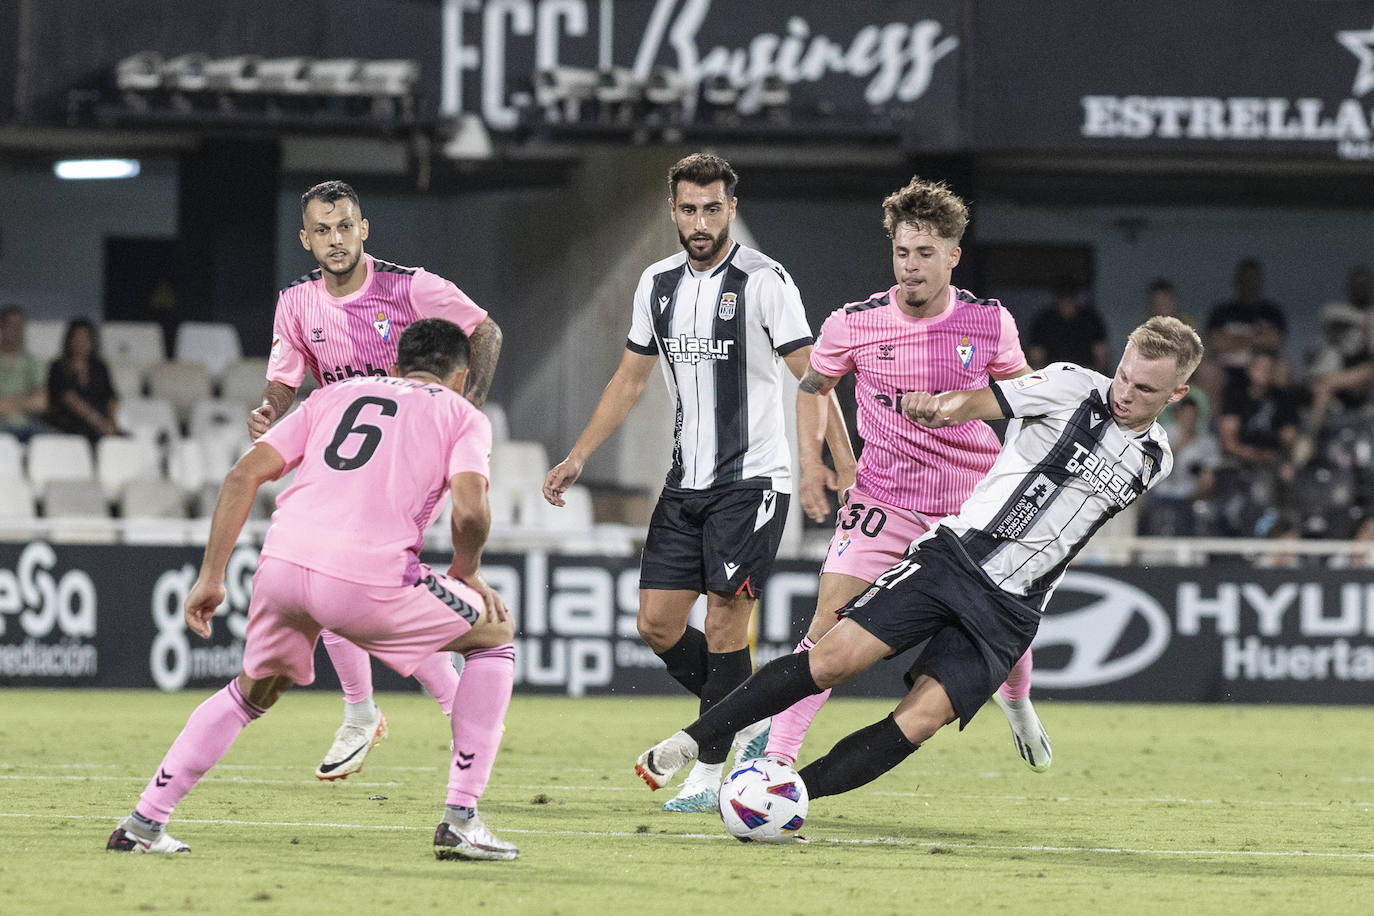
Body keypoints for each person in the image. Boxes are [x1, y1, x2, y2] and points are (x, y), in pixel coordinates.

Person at [636, 317, 1203, 813]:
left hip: (1011, 611)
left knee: (919, 722)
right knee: (831, 657)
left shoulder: (1157, 461)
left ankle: (785, 797)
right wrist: (940, 407)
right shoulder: (1070, 385)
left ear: (1176, 394)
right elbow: (983, 401)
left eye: (1144, 387)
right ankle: (689, 743)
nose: (1124, 391)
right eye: (1124, 374)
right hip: (951, 561)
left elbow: (1064, 538)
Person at [108, 317, 519, 860]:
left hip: (282, 568)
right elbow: (470, 509)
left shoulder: (335, 394)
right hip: (367, 578)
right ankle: (462, 818)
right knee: (495, 633)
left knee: (250, 694)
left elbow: (240, 477)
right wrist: (466, 570)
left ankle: (143, 822)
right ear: (462, 378)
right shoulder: (462, 414)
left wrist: (211, 578)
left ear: (394, 366)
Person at [542, 152, 853, 813]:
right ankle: (742, 713)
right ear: (672, 212)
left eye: (713, 208)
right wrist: (578, 456)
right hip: (685, 484)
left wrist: (837, 462)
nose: (701, 220)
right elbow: (630, 379)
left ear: (731, 209)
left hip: (754, 482)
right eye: (689, 209)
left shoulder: (767, 282)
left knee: (722, 623)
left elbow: (815, 376)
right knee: (655, 624)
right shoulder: (656, 284)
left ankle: (710, 771)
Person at [782, 175, 1051, 774]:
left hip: (972, 506)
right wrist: (814, 465)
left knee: (1006, 618)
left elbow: (1027, 397)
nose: (911, 266)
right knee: (828, 626)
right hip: (886, 499)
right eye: (902, 252)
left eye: (925, 253)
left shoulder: (989, 323)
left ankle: (1017, 701)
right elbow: (812, 390)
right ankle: (775, 760)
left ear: (953, 256)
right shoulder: (854, 322)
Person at [248, 180, 504, 781]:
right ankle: (374, 709)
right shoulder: (297, 304)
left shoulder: (412, 287)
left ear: (364, 229)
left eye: (345, 227)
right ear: (307, 239)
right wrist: (270, 408)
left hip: (405, 458)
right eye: (323, 230)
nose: (336, 240)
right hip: (344, 457)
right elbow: (285, 380)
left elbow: (486, 333)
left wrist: (468, 411)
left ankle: (383, 710)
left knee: (356, 582)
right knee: (334, 577)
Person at [46, 317, 119, 443]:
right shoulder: (58, 366)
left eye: (85, 338)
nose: (81, 342)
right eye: (77, 338)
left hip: (102, 425)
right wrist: (99, 422)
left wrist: (110, 421)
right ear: (69, 340)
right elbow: (68, 398)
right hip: (69, 424)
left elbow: (110, 396)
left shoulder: (100, 367)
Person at [1026, 277, 1109, 375]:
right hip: (1053, 375)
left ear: (1076, 299)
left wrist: (1099, 378)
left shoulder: (1090, 320)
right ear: (1057, 300)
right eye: (1063, 298)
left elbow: (1101, 354)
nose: (1067, 303)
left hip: (1083, 375)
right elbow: (1035, 356)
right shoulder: (1044, 322)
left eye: (1070, 298)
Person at [0, 305, 49, 441]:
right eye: (12, 326)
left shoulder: (31, 362)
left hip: (27, 426)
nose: (16, 331)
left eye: (20, 327)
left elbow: (41, 402)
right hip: (2, 427)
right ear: (2, 327)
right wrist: (25, 401)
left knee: (60, 445)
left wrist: (6, 402)